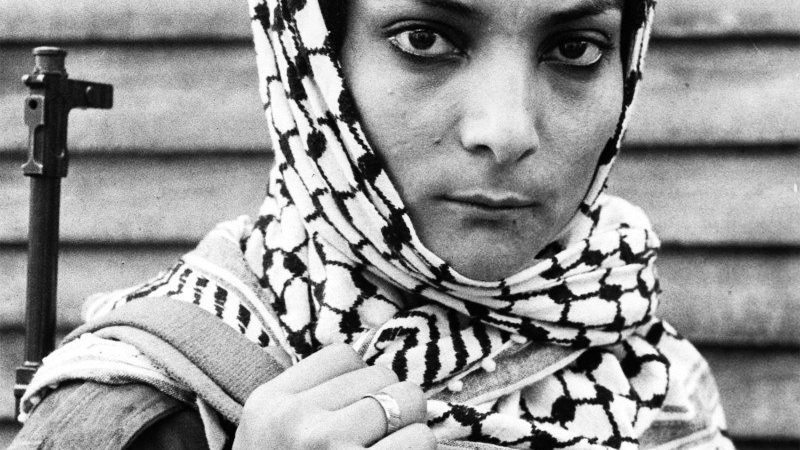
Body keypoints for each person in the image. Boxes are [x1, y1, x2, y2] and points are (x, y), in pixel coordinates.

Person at [11, 0, 734, 448]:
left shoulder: (649, 371)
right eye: (425, 40)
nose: (507, 131)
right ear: (313, 68)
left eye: (575, 49)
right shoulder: (127, 417)